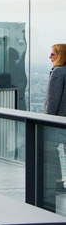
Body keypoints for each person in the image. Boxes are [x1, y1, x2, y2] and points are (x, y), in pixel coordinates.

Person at [43, 44, 66, 203]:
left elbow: (52, 100)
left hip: (58, 120)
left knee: (49, 149)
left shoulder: (58, 72)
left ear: (61, 56)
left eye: (53, 54)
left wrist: (46, 120)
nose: (50, 57)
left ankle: (56, 182)